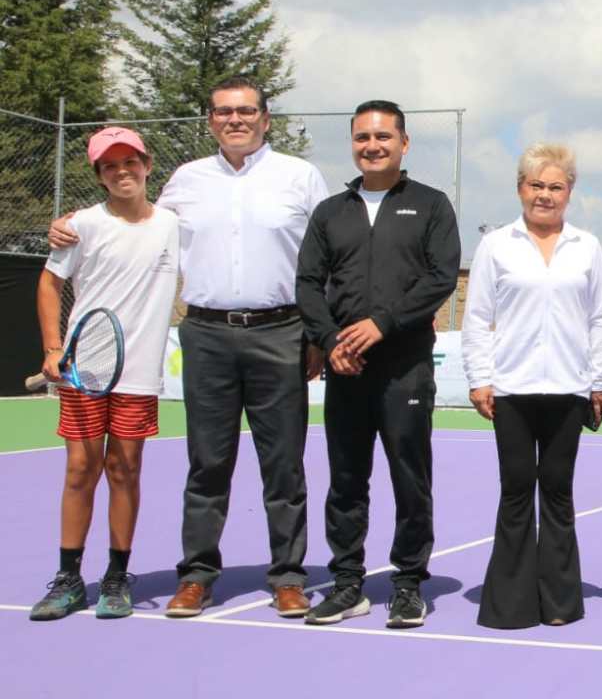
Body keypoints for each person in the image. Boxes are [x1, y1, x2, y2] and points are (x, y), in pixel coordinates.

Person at [54, 76, 332, 618]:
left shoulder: (300, 177)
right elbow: (137, 219)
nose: (235, 119)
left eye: (246, 110)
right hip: (206, 336)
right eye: (224, 111)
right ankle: (197, 576)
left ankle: (288, 577)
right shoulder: (186, 180)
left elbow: (325, 256)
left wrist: (319, 334)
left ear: (265, 118)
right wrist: (72, 225)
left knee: (283, 466)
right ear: (210, 121)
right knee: (207, 464)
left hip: (281, 332)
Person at [294, 101, 460, 629]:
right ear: (353, 144)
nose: (373, 146)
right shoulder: (330, 212)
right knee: (346, 479)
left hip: (405, 367)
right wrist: (330, 340)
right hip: (346, 369)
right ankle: (348, 583)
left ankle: (408, 582)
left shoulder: (431, 205)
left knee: (410, 478)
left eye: (383, 136)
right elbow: (307, 283)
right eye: (363, 137)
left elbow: (441, 276)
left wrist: (382, 324)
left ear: (403, 143)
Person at [29, 128, 180, 621]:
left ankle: (116, 577)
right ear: (99, 175)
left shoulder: (174, 225)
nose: (121, 171)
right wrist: (53, 348)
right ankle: (69, 579)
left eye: (129, 161)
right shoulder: (81, 226)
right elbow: (49, 284)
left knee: (125, 469)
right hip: (85, 371)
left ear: (147, 165)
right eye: (110, 166)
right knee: (80, 470)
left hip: (138, 374)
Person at [462, 144, 602, 630]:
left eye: (555, 187)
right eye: (536, 185)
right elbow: (477, 317)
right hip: (511, 390)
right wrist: (480, 379)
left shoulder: (587, 247)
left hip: (569, 390)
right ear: (520, 189)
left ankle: (561, 602)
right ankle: (510, 605)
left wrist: (600, 381)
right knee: (515, 492)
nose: (544, 195)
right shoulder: (496, 246)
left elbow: (600, 318)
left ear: (569, 191)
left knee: (557, 492)